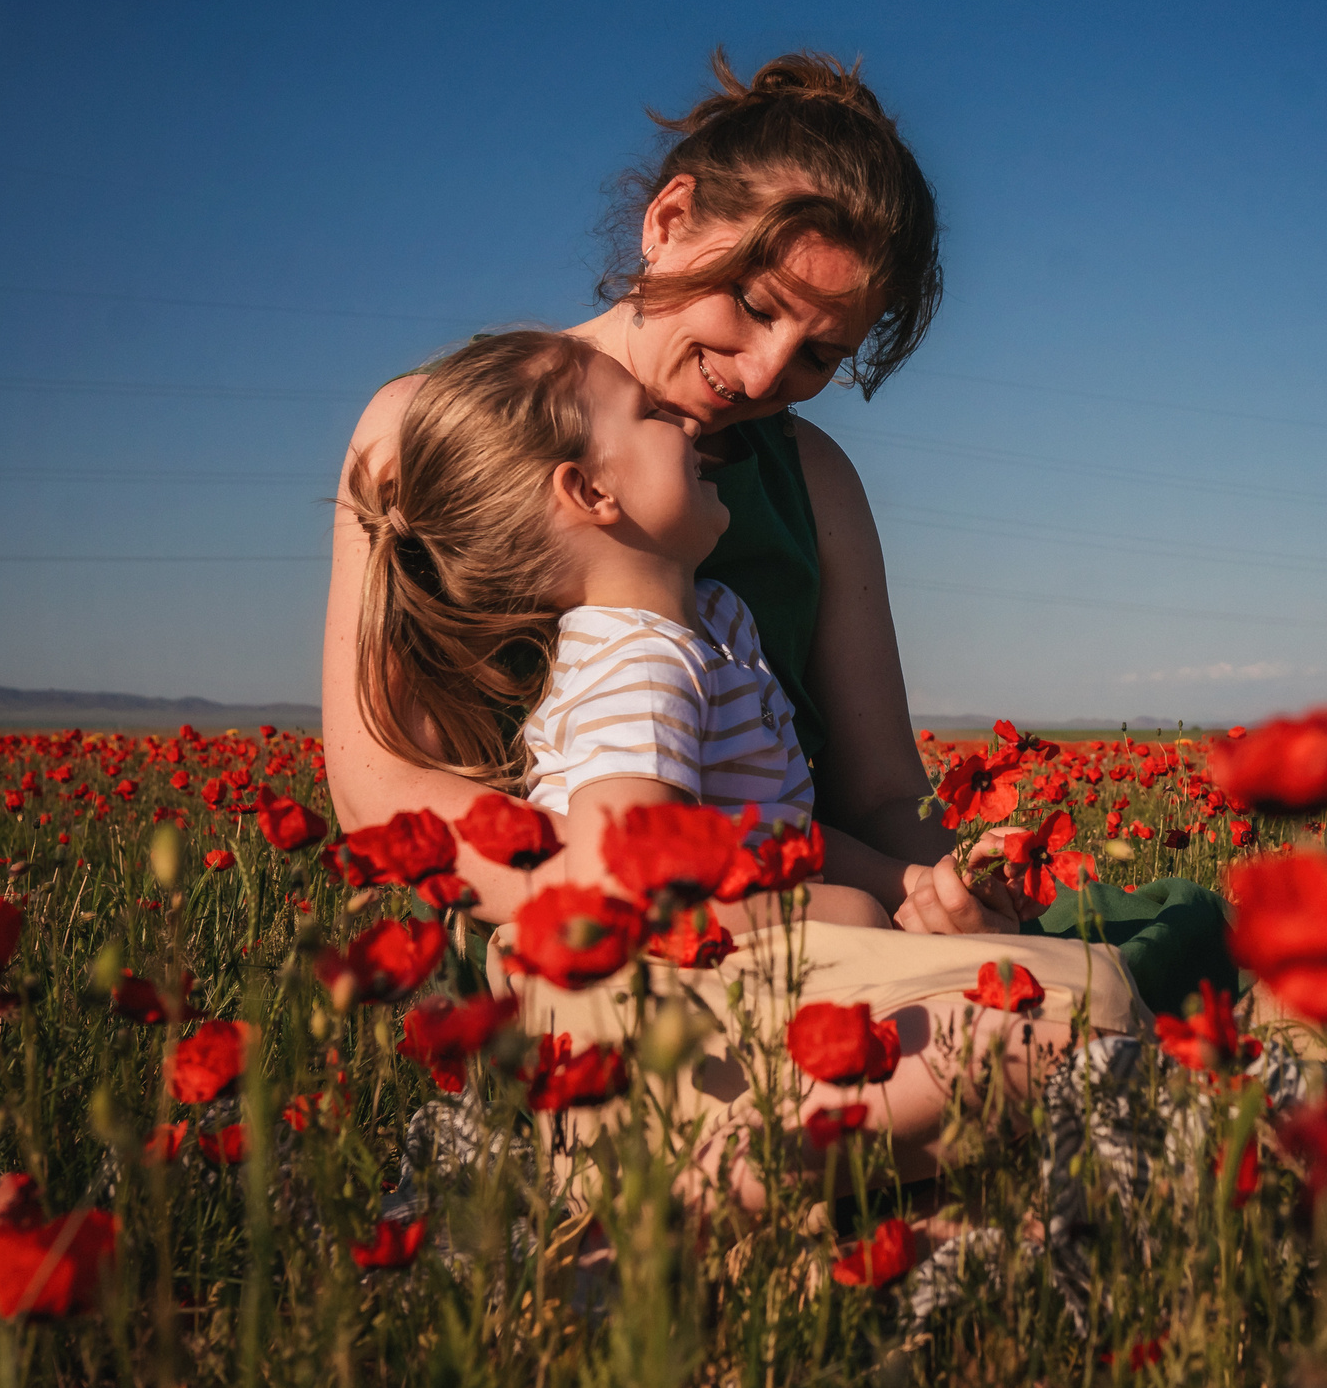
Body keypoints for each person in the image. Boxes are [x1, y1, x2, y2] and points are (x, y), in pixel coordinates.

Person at [335, 320, 1143, 1206]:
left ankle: (745, 1184)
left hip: (725, 1001)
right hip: (646, 1023)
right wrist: (842, 909)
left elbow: (770, 842)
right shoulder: (635, 660)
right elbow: (630, 890)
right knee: (1087, 1005)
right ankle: (671, 1185)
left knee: (1066, 997)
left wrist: (908, 882)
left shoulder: (706, 628)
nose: (687, 427)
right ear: (592, 491)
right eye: (649, 416)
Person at [323, 50, 1013, 933]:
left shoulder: (816, 480)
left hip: (798, 917)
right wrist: (636, 912)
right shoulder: (425, 425)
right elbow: (384, 792)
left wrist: (945, 895)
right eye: (759, 305)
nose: (765, 372)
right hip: (551, 943)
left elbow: (879, 795)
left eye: (819, 355)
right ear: (669, 219)